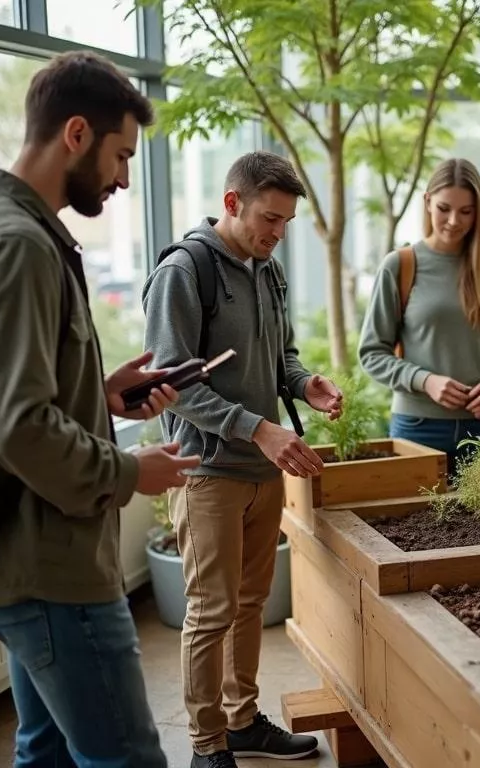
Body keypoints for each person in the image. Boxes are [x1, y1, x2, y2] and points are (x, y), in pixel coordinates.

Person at [0, 51, 201, 768]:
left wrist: (97, 393)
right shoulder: (17, 244)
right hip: (53, 573)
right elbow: (20, 429)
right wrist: (133, 472)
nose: (125, 178)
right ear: (75, 134)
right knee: (126, 757)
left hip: (25, 565)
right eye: (121, 154)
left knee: (49, 751)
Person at [142, 150, 342, 768]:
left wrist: (304, 383)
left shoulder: (268, 268)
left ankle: (244, 720)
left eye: (284, 223)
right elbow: (171, 383)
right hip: (207, 474)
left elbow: (281, 355)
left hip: (263, 470)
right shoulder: (186, 271)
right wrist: (258, 429)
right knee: (209, 611)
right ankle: (206, 746)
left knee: (251, 605)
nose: (277, 234)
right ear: (233, 203)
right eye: (269, 219)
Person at [358, 157, 480, 477]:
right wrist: (426, 381)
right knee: (409, 527)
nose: (454, 221)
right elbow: (371, 353)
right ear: (427, 202)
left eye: (466, 211)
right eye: (444, 208)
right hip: (418, 428)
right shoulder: (400, 265)